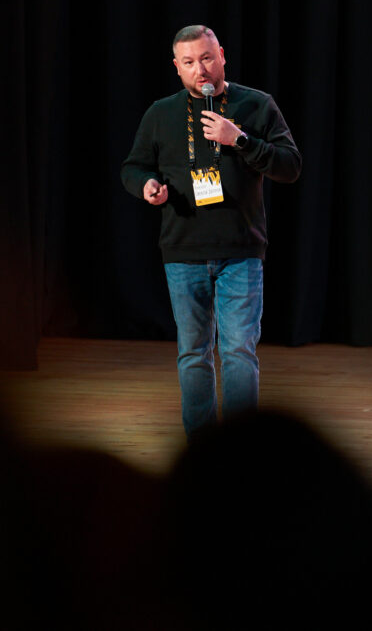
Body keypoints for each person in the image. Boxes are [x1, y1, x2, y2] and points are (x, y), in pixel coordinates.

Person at [121, 25, 301, 438]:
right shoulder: (161, 113)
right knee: (193, 354)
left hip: (241, 250)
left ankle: (237, 446)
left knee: (238, 352)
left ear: (221, 56)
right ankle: (201, 449)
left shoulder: (255, 105)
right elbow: (133, 167)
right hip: (183, 251)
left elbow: (290, 166)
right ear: (177, 67)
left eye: (206, 58)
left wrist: (240, 140)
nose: (199, 70)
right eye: (189, 62)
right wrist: (146, 186)